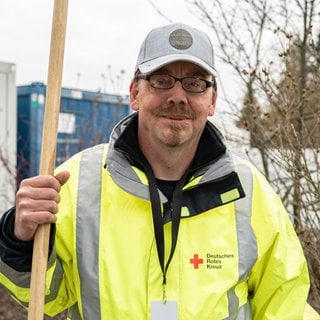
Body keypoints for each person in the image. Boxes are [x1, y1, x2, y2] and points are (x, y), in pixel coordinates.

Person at [0, 23, 319, 320]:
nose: (177, 96)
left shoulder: (249, 193)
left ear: (212, 100)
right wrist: (20, 239)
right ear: (135, 93)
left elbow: (286, 304)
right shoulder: (77, 183)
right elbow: (43, 295)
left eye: (194, 83)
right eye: (161, 80)